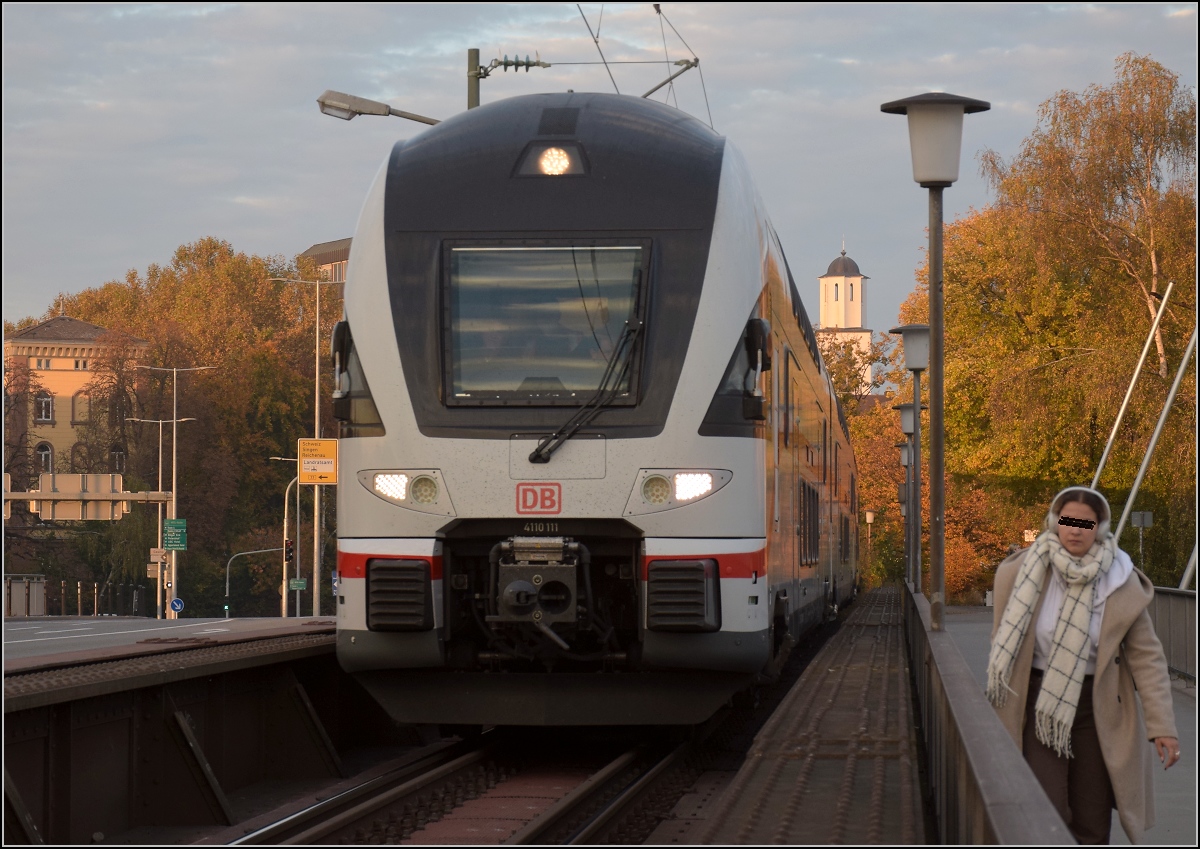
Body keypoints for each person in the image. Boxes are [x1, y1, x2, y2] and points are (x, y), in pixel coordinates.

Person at [986, 486, 1179, 844]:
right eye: (1067, 521)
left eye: (1085, 523)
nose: (1075, 530)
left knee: (1092, 816)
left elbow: (1147, 658)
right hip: (1037, 704)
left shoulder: (1120, 581)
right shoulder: (1024, 572)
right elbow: (1002, 637)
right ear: (1054, 523)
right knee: (1047, 805)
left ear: (1100, 529)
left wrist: (1162, 726)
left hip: (1098, 708)